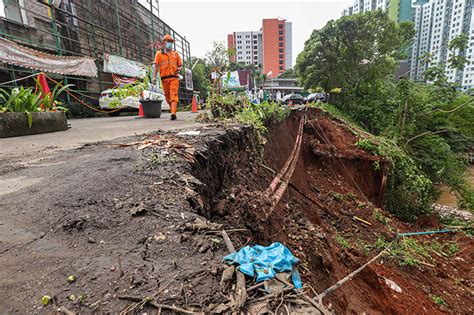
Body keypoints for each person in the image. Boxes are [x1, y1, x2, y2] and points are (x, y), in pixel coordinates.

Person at [152, 34, 182, 120]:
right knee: (167, 97)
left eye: (171, 42)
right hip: (164, 79)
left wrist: (179, 69)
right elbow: (156, 67)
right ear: (164, 43)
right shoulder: (158, 54)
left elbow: (180, 65)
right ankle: (172, 109)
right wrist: (154, 77)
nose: (170, 43)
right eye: (168, 41)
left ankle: (173, 113)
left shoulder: (176, 54)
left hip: (174, 78)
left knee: (173, 94)